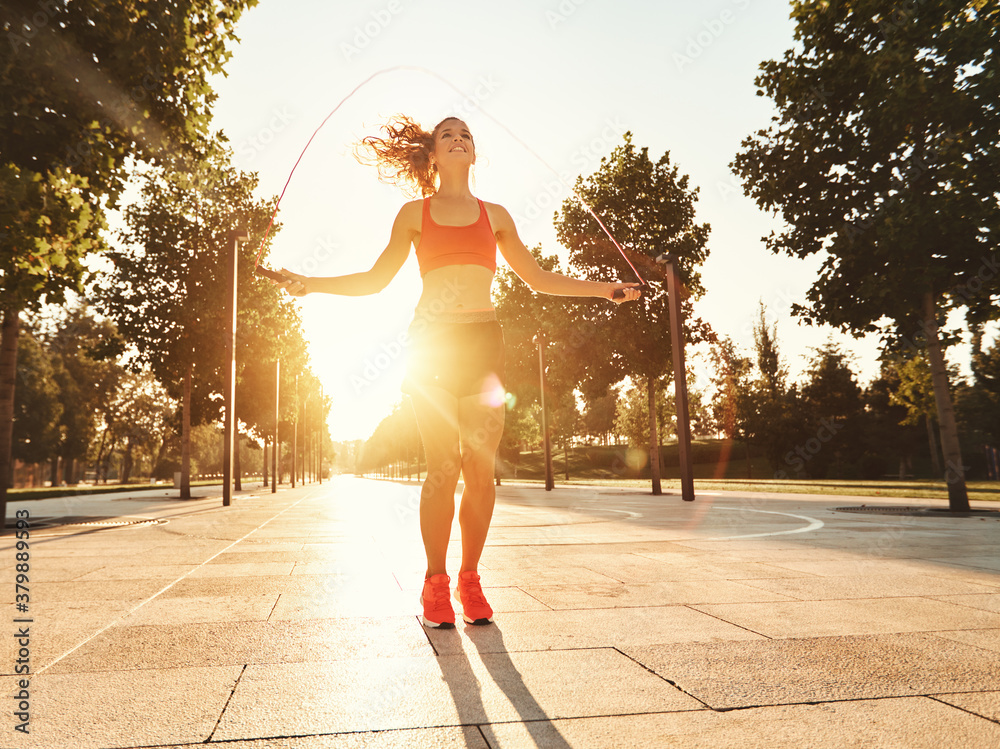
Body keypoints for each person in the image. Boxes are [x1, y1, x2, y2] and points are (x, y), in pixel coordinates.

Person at [276, 115, 640, 629]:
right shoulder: (413, 214)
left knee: (479, 467)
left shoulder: (495, 216)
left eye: (465, 134)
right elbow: (375, 280)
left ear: (473, 153)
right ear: (432, 155)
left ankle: (470, 577)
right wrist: (309, 283)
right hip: (432, 346)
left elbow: (537, 279)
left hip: (483, 343)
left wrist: (605, 288)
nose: (458, 138)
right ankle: (435, 582)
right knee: (442, 464)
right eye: (447, 134)